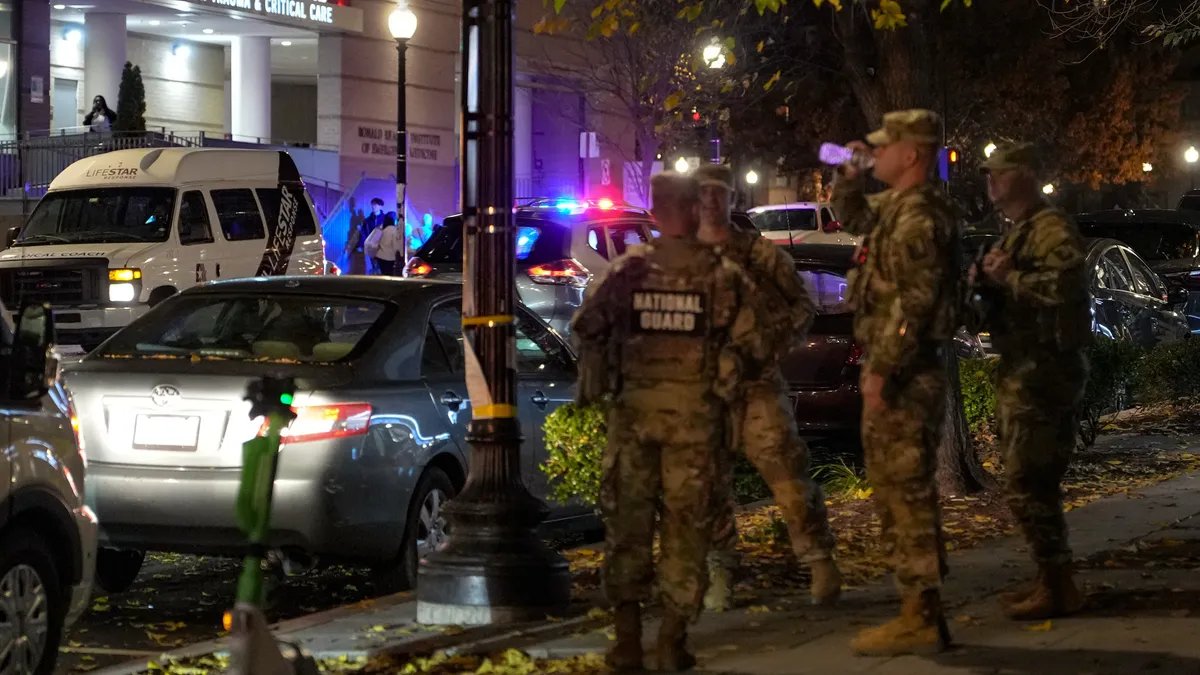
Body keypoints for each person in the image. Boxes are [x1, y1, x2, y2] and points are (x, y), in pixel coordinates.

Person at [572, 172, 768, 672]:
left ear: (656, 215)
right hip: (694, 425)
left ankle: (628, 640)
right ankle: (672, 640)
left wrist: (603, 369)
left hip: (635, 420)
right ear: (696, 211)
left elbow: (587, 326)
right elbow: (757, 340)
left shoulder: (630, 273)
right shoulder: (722, 276)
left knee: (628, 526)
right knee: (687, 528)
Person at [831, 109, 959, 656]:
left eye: (884, 147)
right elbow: (850, 213)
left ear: (910, 155)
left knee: (906, 491)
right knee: (893, 490)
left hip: (907, 374)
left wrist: (881, 368)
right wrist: (849, 171)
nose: (875, 153)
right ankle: (918, 608)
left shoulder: (919, 219)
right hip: (897, 370)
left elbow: (916, 304)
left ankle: (922, 614)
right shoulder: (897, 208)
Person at [694, 163, 842, 611]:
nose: (711, 204)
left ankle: (819, 561)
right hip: (704, 392)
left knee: (786, 474)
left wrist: (766, 344)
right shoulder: (680, 257)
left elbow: (802, 307)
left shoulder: (760, 255)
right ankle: (721, 570)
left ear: (730, 200)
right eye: (703, 195)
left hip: (757, 384)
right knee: (706, 486)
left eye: (719, 195)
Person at [973, 142, 1090, 620]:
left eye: (999, 174)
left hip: (1046, 371)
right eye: (989, 175)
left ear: (1025, 175)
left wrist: (1009, 278)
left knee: (1028, 478)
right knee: (1029, 478)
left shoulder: (1050, 229)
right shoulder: (1015, 233)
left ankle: (1058, 585)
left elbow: (1062, 290)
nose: (991, 183)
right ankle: (1051, 578)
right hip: (1022, 366)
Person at [345, 198, 387, 274]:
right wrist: (361, 245)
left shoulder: (385, 219)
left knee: (381, 266)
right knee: (373, 266)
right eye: (373, 204)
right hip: (371, 246)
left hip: (382, 246)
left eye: (376, 205)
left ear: (381, 206)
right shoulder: (367, 220)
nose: (373, 206)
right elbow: (363, 233)